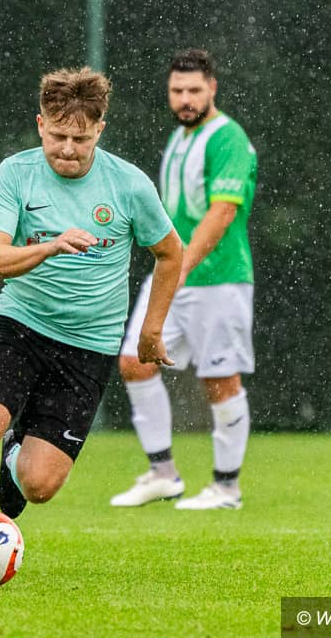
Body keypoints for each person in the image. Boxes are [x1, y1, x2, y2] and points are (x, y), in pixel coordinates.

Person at [0, 67, 183, 577]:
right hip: (19, 329)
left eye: (81, 140)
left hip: (89, 347)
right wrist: (50, 246)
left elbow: (170, 252)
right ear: (41, 124)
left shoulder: (130, 185)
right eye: (58, 136)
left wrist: (151, 330)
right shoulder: (17, 173)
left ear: (100, 130)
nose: (68, 149)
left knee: (39, 486)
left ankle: (15, 451)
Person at [109, 48, 257, 511]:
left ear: (212, 88)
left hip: (220, 279)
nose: (185, 99)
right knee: (134, 361)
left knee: (220, 379)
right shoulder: (179, 137)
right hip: (175, 276)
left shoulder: (227, 137)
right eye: (177, 90)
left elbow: (223, 211)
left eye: (194, 90)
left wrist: (183, 265)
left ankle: (226, 488)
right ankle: (163, 474)